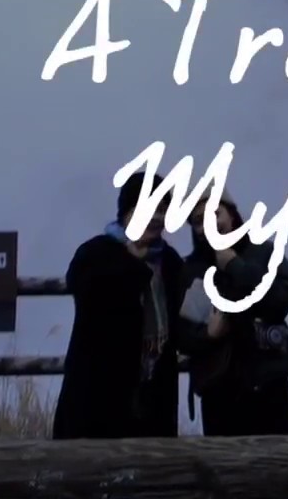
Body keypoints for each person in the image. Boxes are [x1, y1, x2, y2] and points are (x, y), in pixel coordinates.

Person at [52, 171, 185, 439]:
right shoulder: (96, 252)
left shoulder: (170, 261)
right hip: (96, 397)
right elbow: (88, 293)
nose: (155, 217)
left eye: (162, 209)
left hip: (153, 396)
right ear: (126, 212)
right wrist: (134, 264)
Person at [177, 189, 288, 436]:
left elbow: (282, 299)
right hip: (217, 391)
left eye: (215, 214)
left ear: (231, 214)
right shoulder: (190, 270)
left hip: (268, 382)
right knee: (224, 459)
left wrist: (236, 266)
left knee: (277, 457)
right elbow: (179, 334)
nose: (208, 225)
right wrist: (207, 334)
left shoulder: (264, 252)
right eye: (198, 221)